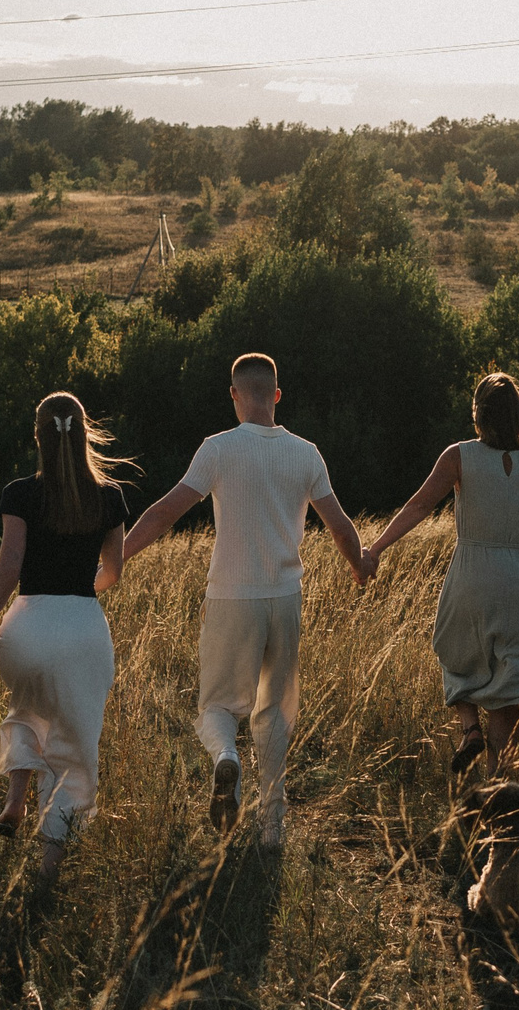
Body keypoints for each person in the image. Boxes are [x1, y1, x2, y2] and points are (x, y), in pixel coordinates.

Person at [121, 352, 366, 847]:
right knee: (274, 712)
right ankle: (271, 829)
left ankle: (225, 759)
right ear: (276, 395)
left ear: (234, 395)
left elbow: (165, 513)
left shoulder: (217, 449)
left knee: (215, 706)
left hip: (232, 596)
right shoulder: (306, 453)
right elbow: (341, 529)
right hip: (285, 599)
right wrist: (362, 566)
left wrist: (115, 561)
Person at [364, 371, 519, 778]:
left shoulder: (459, 456)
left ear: (478, 414)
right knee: (508, 691)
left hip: (474, 575)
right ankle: (497, 788)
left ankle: (469, 729)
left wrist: (375, 549)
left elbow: (418, 507)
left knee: (454, 654)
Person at [0, 391, 131, 882]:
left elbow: (9, 569)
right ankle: (47, 871)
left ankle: (15, 801)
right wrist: (78, 590)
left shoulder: (19, 493)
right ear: (85, 433)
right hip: (82, 629)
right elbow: (113, 573)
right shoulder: (110, 497)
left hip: (26, 629)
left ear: (37, 435)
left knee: (27, 705)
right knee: (74, 749)